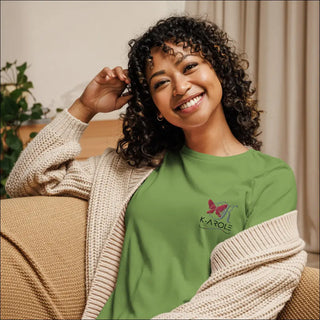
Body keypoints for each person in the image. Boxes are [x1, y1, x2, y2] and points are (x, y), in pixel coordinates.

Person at [6, 15, 306, 319]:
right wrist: (85, 107)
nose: (180, 87)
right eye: (161, 82)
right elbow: (28, 180)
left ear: (218, 69)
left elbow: (249, 289)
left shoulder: (269, 177)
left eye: (189, 67)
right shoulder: (135, 169)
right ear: (155, 106)